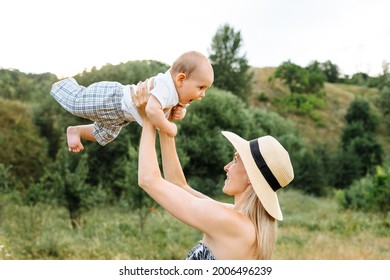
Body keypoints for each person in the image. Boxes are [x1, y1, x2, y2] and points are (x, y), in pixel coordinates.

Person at [132, 82, 295, 260]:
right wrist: (165, 124)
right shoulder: (240, 221)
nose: (226, 166)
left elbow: (148, 180)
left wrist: (148, 118)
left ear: (251, 177)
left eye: (235, 160)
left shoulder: (231, 223)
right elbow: (178, 185)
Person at [50, 51, 214, 152]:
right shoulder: (166, 87)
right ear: (181, 79)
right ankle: (61, 84)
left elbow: (176, 108)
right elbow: (151, 110)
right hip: (113, 99)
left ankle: (76, 131)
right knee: (77, 103)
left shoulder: (178, 94)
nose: (203, 94)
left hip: (121, 117)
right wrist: (169, 127)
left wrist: (180, 112)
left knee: (104, 135)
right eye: (201, 87)